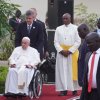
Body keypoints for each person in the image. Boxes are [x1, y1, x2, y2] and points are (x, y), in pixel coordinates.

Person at [54, 13, 81, 96]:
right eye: (63, 19)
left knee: (72, 71)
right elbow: (56, 42)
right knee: (62, 71)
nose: (65, 20)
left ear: (70, 19)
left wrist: (69, 51)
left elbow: (78, 41)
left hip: (72, 53)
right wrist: (62, 51)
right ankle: (63, 89)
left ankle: (74, 89)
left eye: (66, 18)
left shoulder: (76, 28)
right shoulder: (58, 29)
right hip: (61, 53)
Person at [80, 32, 100, 100]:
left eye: (90, 43)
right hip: (89, 93)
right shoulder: (88, 55)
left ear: (98, 41)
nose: (88, 45)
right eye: (87, 43)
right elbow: (85, 77)